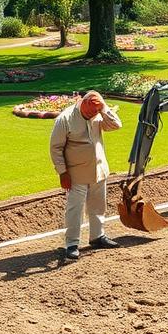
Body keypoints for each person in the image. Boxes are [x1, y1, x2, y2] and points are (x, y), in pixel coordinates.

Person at [49, 91, 122, 260]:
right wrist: (62, 172)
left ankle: (98, 236)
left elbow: (116, 125)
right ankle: (72, 244)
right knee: (75, 208)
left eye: (95, 112)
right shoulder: (65, 119)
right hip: (76, 173)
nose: (91, 115)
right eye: (89, 112)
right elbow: (55, 148)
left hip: (98, 169)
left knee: (98, 205)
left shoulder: (97, 114)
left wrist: (103, 109)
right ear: (83, 102)